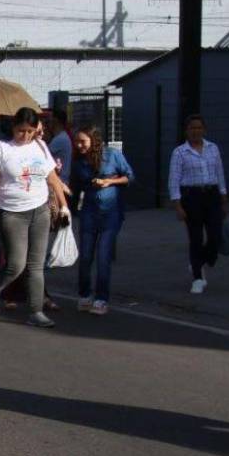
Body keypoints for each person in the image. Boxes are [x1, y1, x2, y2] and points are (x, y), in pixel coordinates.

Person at [0, 106, 67, 328]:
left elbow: (53, 177)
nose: (25, 135)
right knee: (15, 264)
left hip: (40, 210)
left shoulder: (40, 146)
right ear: (13, 127)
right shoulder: (0, 148)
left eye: (29, 131)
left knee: (36, 265)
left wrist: (64, 205)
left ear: (36, 129)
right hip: (11, 212)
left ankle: (36, 312)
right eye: (20, 131)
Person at [70, 126, 133, 316]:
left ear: (93, 141)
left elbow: (129, 176)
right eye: (77, 141)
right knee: (86, 256)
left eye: (83, 141)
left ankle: (101, 299)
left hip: (111, 212)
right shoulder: (78, 162)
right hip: (89, 211)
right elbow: (75, 187)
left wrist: (109, 182)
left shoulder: (112, 155)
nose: (80, 145)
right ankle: (84, 295)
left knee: (103, 256)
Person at [169, 114, 228, 295]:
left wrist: (223, 196)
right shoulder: (180, 152)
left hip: (211, 195)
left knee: (215, 236)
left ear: (204, 129)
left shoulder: (213, 148)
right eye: (192, 128)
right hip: (191, 196)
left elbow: (219, 173)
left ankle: (200, 261)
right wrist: (177, 205)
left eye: (198, 128)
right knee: (195, 238)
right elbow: (174, 179)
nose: (196, 131)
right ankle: (197, 277)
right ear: (186, 131)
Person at [48, 108, 73, 197]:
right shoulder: (61, 137)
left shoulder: (60, 139)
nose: (47, 123)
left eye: (49, 120)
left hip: (60, 183)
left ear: (55, 121)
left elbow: (42, 155)